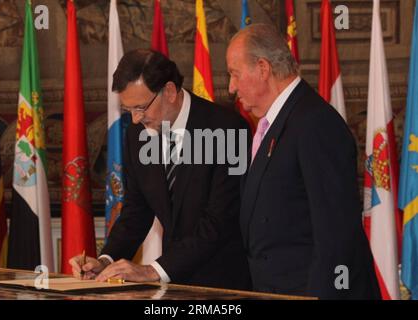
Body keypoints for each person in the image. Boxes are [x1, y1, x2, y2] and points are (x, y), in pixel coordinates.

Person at [70, 49, 251, 290]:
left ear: (169, 91)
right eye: (129, 110)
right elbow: (137, 209)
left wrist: (153, 270)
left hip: (222, 285)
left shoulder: (228, 129)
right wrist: (106, 260)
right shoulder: (137, 135)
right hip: (172, 286)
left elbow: (218, 222)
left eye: (141, 107)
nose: (135, 119)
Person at [226, 23, 381, 299]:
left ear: (263, 68)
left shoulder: (315, 123)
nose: (230, 87)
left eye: (235, 74)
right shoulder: (278, 122)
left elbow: (336, 234)